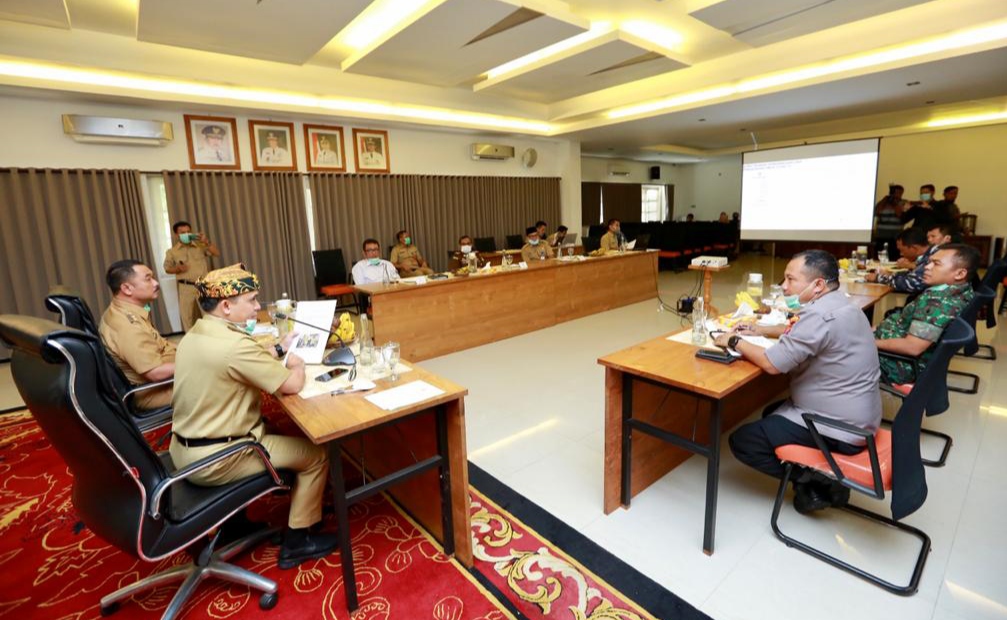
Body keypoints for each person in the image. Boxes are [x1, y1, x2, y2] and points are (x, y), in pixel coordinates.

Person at [170, 264, 337, 569]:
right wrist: (296, 363)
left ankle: (234, 526)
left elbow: (239, 360)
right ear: (226, 305)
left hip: (184, 452)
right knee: (315, 454)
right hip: (220, 457)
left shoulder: (194, 334)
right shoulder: (234, 345)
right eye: (252, 300)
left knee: (275, 427)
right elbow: (291, 385)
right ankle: (299, 540)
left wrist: (277, 347)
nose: (258, 307)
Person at [713, 250, 881, 514]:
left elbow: (772, 363)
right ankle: (812, 475)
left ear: (818, 285)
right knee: (771, 412)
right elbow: (804, 330)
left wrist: (735, 341)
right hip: (858, 413)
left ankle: (815, 482)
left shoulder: (820, 316)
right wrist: (761, 330)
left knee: (744, 440)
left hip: (840, 427)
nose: (784, 286)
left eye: (791, 279)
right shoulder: (842, 304)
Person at [875, 244, 978, 385]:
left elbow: (912, 347)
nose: (927, 267)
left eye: (936, 264)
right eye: (929, 262)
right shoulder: (960, 289)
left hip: (895, 365)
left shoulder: (939, 303)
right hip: (892, 340)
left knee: (835, 349)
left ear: (960, 274)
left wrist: (869, 343)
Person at [98, 260, 175, 410]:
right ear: (126, 288)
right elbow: (155, 373)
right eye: (148, 279)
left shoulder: (127, 310)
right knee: (223, 380)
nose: (155, 283)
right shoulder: (127, 326)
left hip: (161, 379)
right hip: (152, 391)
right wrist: (195, 362)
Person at [164, 220, 220, 331]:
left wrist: (206, 241)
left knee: (209, 313)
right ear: (176, 234)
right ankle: (189, 339)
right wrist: (177, 269)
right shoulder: (172, 252)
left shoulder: (200, 246)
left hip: (202, 285)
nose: (186, 234)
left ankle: (213, 335)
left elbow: (216, 253)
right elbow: (167, 269)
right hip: (185, 286)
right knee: (187, 316)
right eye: (182, 232)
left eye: (188, 231)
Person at [865, 227, 930, 293]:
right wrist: (892, 275)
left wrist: (878, 278)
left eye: (902, 250)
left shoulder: (931, 258)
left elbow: (910, 284)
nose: (901, 254)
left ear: (914, 248)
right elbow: (911, 276)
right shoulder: (926, 256)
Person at [873, 184, 908, 260]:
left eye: (899, 193)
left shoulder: (904, 202)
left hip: (895, 237)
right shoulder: (883, 202)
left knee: (894, 258)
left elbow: (900, 214)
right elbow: (877, 212)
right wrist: (885, 200)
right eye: (895, 193)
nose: (897, 195)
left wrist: (894, 203)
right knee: (879, 257)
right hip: (881, 236)